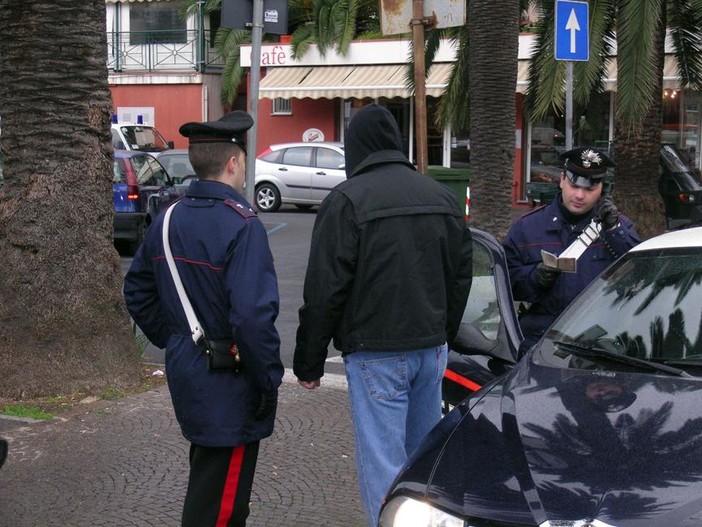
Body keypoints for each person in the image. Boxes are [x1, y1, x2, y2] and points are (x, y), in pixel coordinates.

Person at [293, 104, 473, 527]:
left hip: (376, 352)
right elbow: (461, 276)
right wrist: (442, 332)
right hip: (430, 350)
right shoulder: (442, 198)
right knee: (421, 464)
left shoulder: (346, 201)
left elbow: (323, 290)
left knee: (385, 468)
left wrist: (309, 361)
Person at [123, 111, 283, 527]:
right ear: (233, 162)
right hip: (232, 381)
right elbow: (251, 318)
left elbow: (137, 291)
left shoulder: (167, 219)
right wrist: (268, 379)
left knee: (210, 484)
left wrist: (178, 339)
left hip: (189, 371)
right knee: (221, 507)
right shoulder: (243, 226)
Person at [503, 147, 641, 356]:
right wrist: (534, 278)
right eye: (574, 185)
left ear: (603, 189)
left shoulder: (617, 228)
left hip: (600, 342)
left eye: (589, 189)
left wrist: (614, 230)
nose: (579, 195)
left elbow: (640, 275)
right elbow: (504, 284)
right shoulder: (527, 228)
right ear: (561, 180)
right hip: (540, 341)